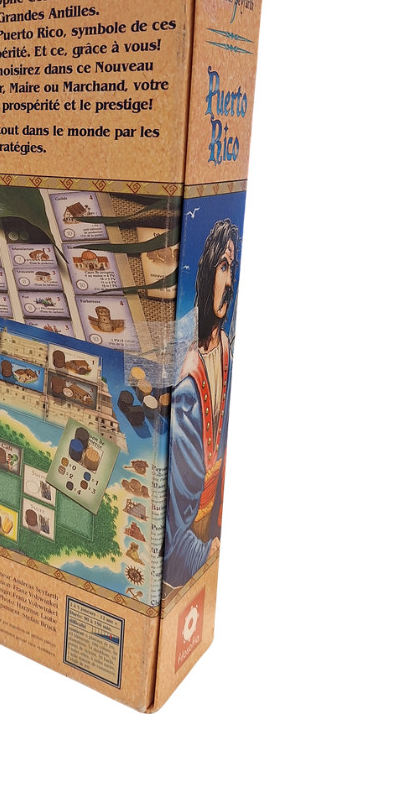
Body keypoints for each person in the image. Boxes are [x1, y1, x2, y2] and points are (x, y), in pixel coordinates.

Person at [162, 219, 239, 588]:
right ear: (208, 273)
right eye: (223, 267)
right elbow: (173, 540)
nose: (230, 281)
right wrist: (206, 552)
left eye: (233, 268)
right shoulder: (186, 390)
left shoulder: (225, 348)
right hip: (185, 549)